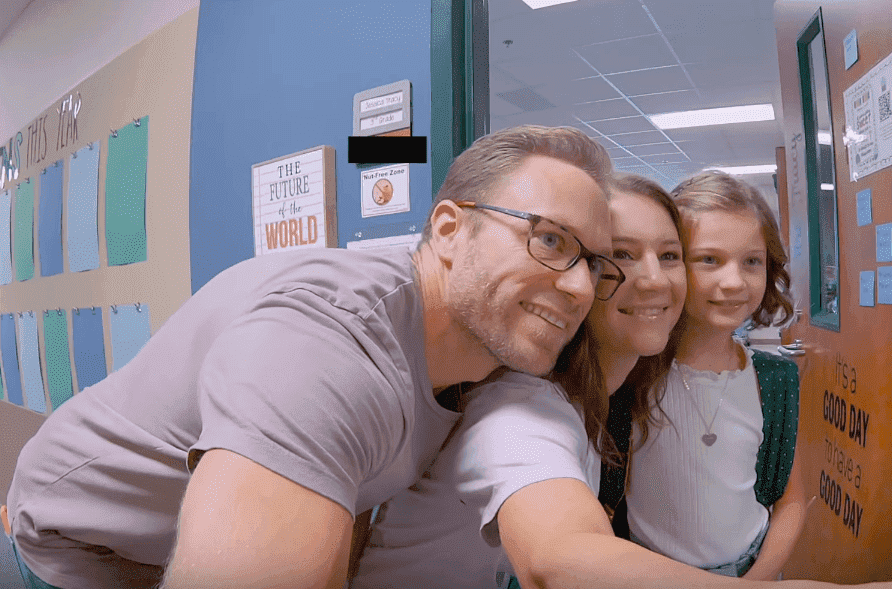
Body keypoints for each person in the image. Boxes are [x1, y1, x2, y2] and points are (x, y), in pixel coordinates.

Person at [2, 125, 622, 589]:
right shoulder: (327, 344)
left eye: (594, 262)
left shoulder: (464, 355)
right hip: (78, 542)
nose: (580, 287)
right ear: (451, 230)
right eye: (549, 239)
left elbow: (341, 493)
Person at [348, 173, 690, 588]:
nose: (655, 279)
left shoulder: (600, 398)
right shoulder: (518, 403)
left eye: (670, 255)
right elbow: (559, 559)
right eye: (621, 255)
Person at [604, 170, 808, 580]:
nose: (733, 282)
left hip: (751, 570)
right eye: (709, 260)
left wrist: (757, 579)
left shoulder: (774, 379)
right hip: (651, 574)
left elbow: (790, 499)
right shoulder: (628, 373)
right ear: (673, 264)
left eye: (751, 261)